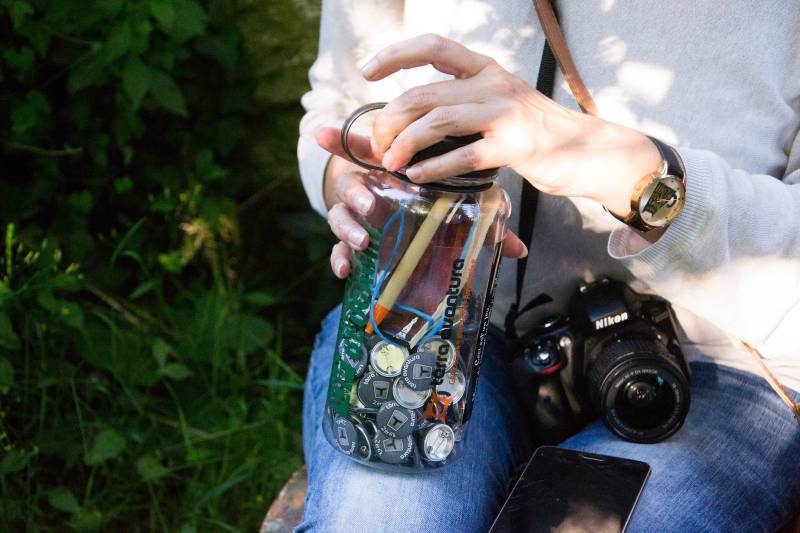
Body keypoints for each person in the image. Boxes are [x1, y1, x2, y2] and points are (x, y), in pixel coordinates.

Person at [294, 1, 800, 531]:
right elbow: (338, 102)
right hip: (435, 317)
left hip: (716, 363)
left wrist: (635, 175)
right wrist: (346, 176)